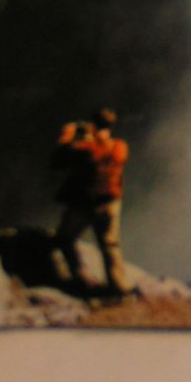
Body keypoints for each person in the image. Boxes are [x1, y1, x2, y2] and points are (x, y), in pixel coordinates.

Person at [51, 107, 131, 295]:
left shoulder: (84, 148)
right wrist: (91, 137)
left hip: (83, 204)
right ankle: (119, 287)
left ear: (94, 124)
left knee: (64, 239)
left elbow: (57, 160)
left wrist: (67, 135)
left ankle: (81, 278)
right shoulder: (120, 146)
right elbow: (102, 152)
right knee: (109, 245)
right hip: (111, 203)